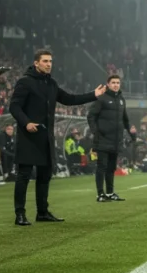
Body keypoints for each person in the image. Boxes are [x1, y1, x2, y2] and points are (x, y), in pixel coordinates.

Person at [8, 49, 104, 226]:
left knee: (45, 176)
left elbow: (69, 99)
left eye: (50, 61)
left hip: (46, 138)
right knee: (24, 176)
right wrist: (26, 123)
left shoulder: (51, 84)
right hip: (28, 136)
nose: (49, 64)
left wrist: (93, 95)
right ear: (36, 63)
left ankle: (42, 212)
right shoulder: (25, 82)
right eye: (45, 61)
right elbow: (14, 107)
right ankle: (19, 214)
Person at [87, 74, 136, 202]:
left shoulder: (121, 100)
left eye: (118, 83)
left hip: (116, 140)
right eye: (113, 82)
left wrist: (131, 133)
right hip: (102, 138)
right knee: (101, 167)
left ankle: (110, 193)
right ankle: (100, 194)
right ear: (108, 84)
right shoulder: (101, 98)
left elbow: (125, 120)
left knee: (111, 168)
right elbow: (91, 116)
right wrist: (95, 131)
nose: (115, 85)